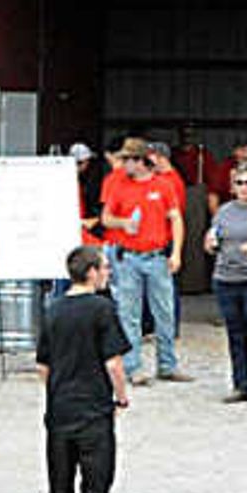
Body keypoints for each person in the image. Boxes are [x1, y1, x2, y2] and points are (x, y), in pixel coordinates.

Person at [37, 243, 133, 493]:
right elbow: (114, 362)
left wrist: (56, 393)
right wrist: (121, 396)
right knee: (95, 485)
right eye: (105, 267)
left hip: (60, 410)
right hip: (93, 410)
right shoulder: (102, 309)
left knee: (60, 483)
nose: (108, 273)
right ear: (91, 272)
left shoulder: (53, 309)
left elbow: (44, 366)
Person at [98, 140, 189, 384]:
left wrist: (176, 252)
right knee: (129, 314)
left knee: (165, 312)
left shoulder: (164, 186)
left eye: (128, 159)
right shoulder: (119, 186)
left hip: (157, 256)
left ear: (140, 161)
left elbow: (176, 219)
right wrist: (123, 224)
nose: (123, 164)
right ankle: (132, 367)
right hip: (128, 257)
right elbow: (105, 218)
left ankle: (167, 364)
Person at [206, 165, 247, 403]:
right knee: (235, 335)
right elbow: (212, 237)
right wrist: (210, 242)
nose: (244, 187)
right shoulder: (223, 211)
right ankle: (241, 385)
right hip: (225, 278)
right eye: (239, 183)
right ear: (232, 187)